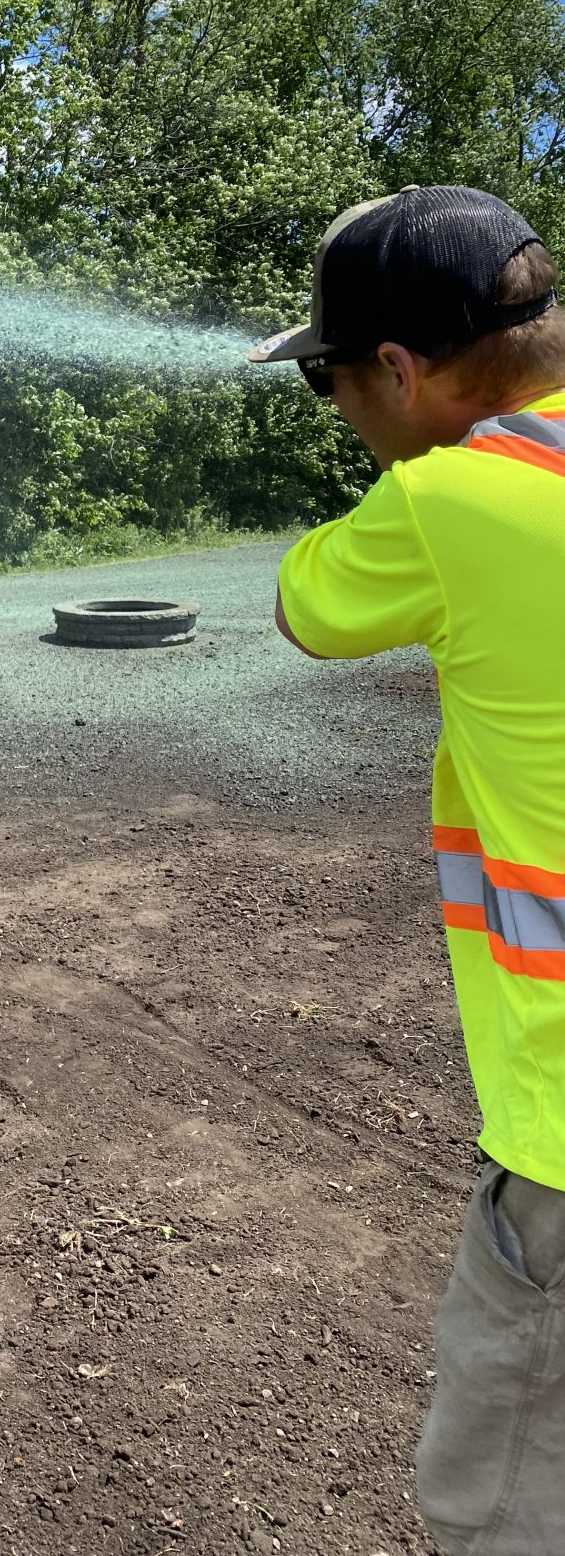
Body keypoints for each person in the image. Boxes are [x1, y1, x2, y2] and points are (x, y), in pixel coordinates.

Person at [249, 184, 565, 1556]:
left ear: (399, 367)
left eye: (328, 377)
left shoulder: (455, 502)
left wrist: (435, 458)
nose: (334, 402)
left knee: (499, 1508)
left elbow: (307, 602)